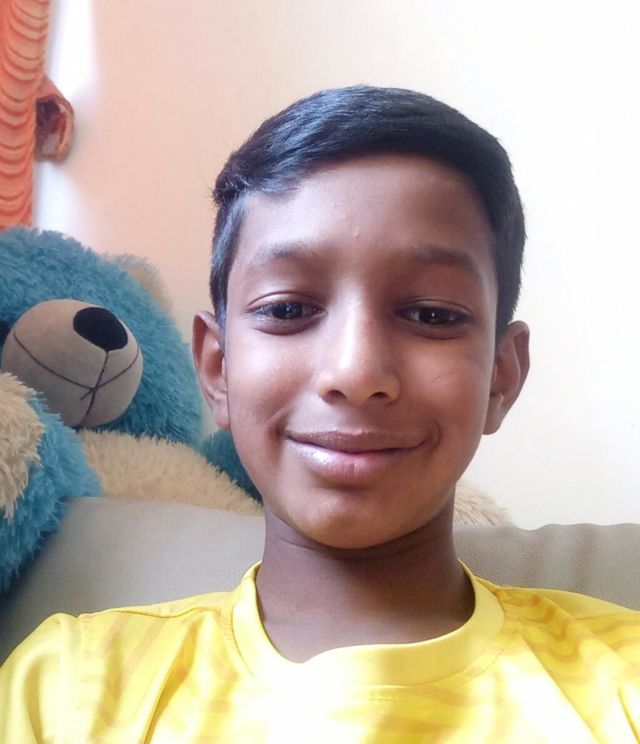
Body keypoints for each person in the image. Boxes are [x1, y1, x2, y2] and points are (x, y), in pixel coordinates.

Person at [1, 85, 638, 742]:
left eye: (431, 315)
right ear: (217, 368)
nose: (355, 373)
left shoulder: (621, 683)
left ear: (501, 377)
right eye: (287, 309)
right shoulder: (70, 685)